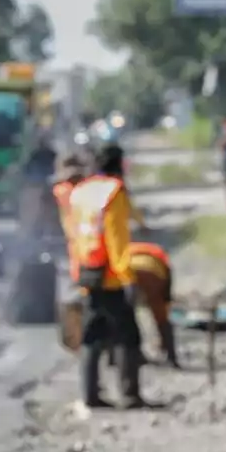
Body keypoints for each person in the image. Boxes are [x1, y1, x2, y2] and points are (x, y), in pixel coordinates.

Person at [67, 142, 148, 410]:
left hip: (88, 272)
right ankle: (129, 394)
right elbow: (117, 239)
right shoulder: (113, 193)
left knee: (92, 336)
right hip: (112, 276)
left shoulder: (81, 192)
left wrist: (76, 271)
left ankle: (90, 395)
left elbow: (75, 235)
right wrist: (128, 278)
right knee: (128, 335)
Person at [126, 241, 179, 368]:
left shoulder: (128, 250)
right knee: (160, 315)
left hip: (128, 271)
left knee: (125, 316)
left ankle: (128, 356)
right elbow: (167, 281)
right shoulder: (159, 254)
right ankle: (171, 357)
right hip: (154, 272)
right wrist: (165, 299)